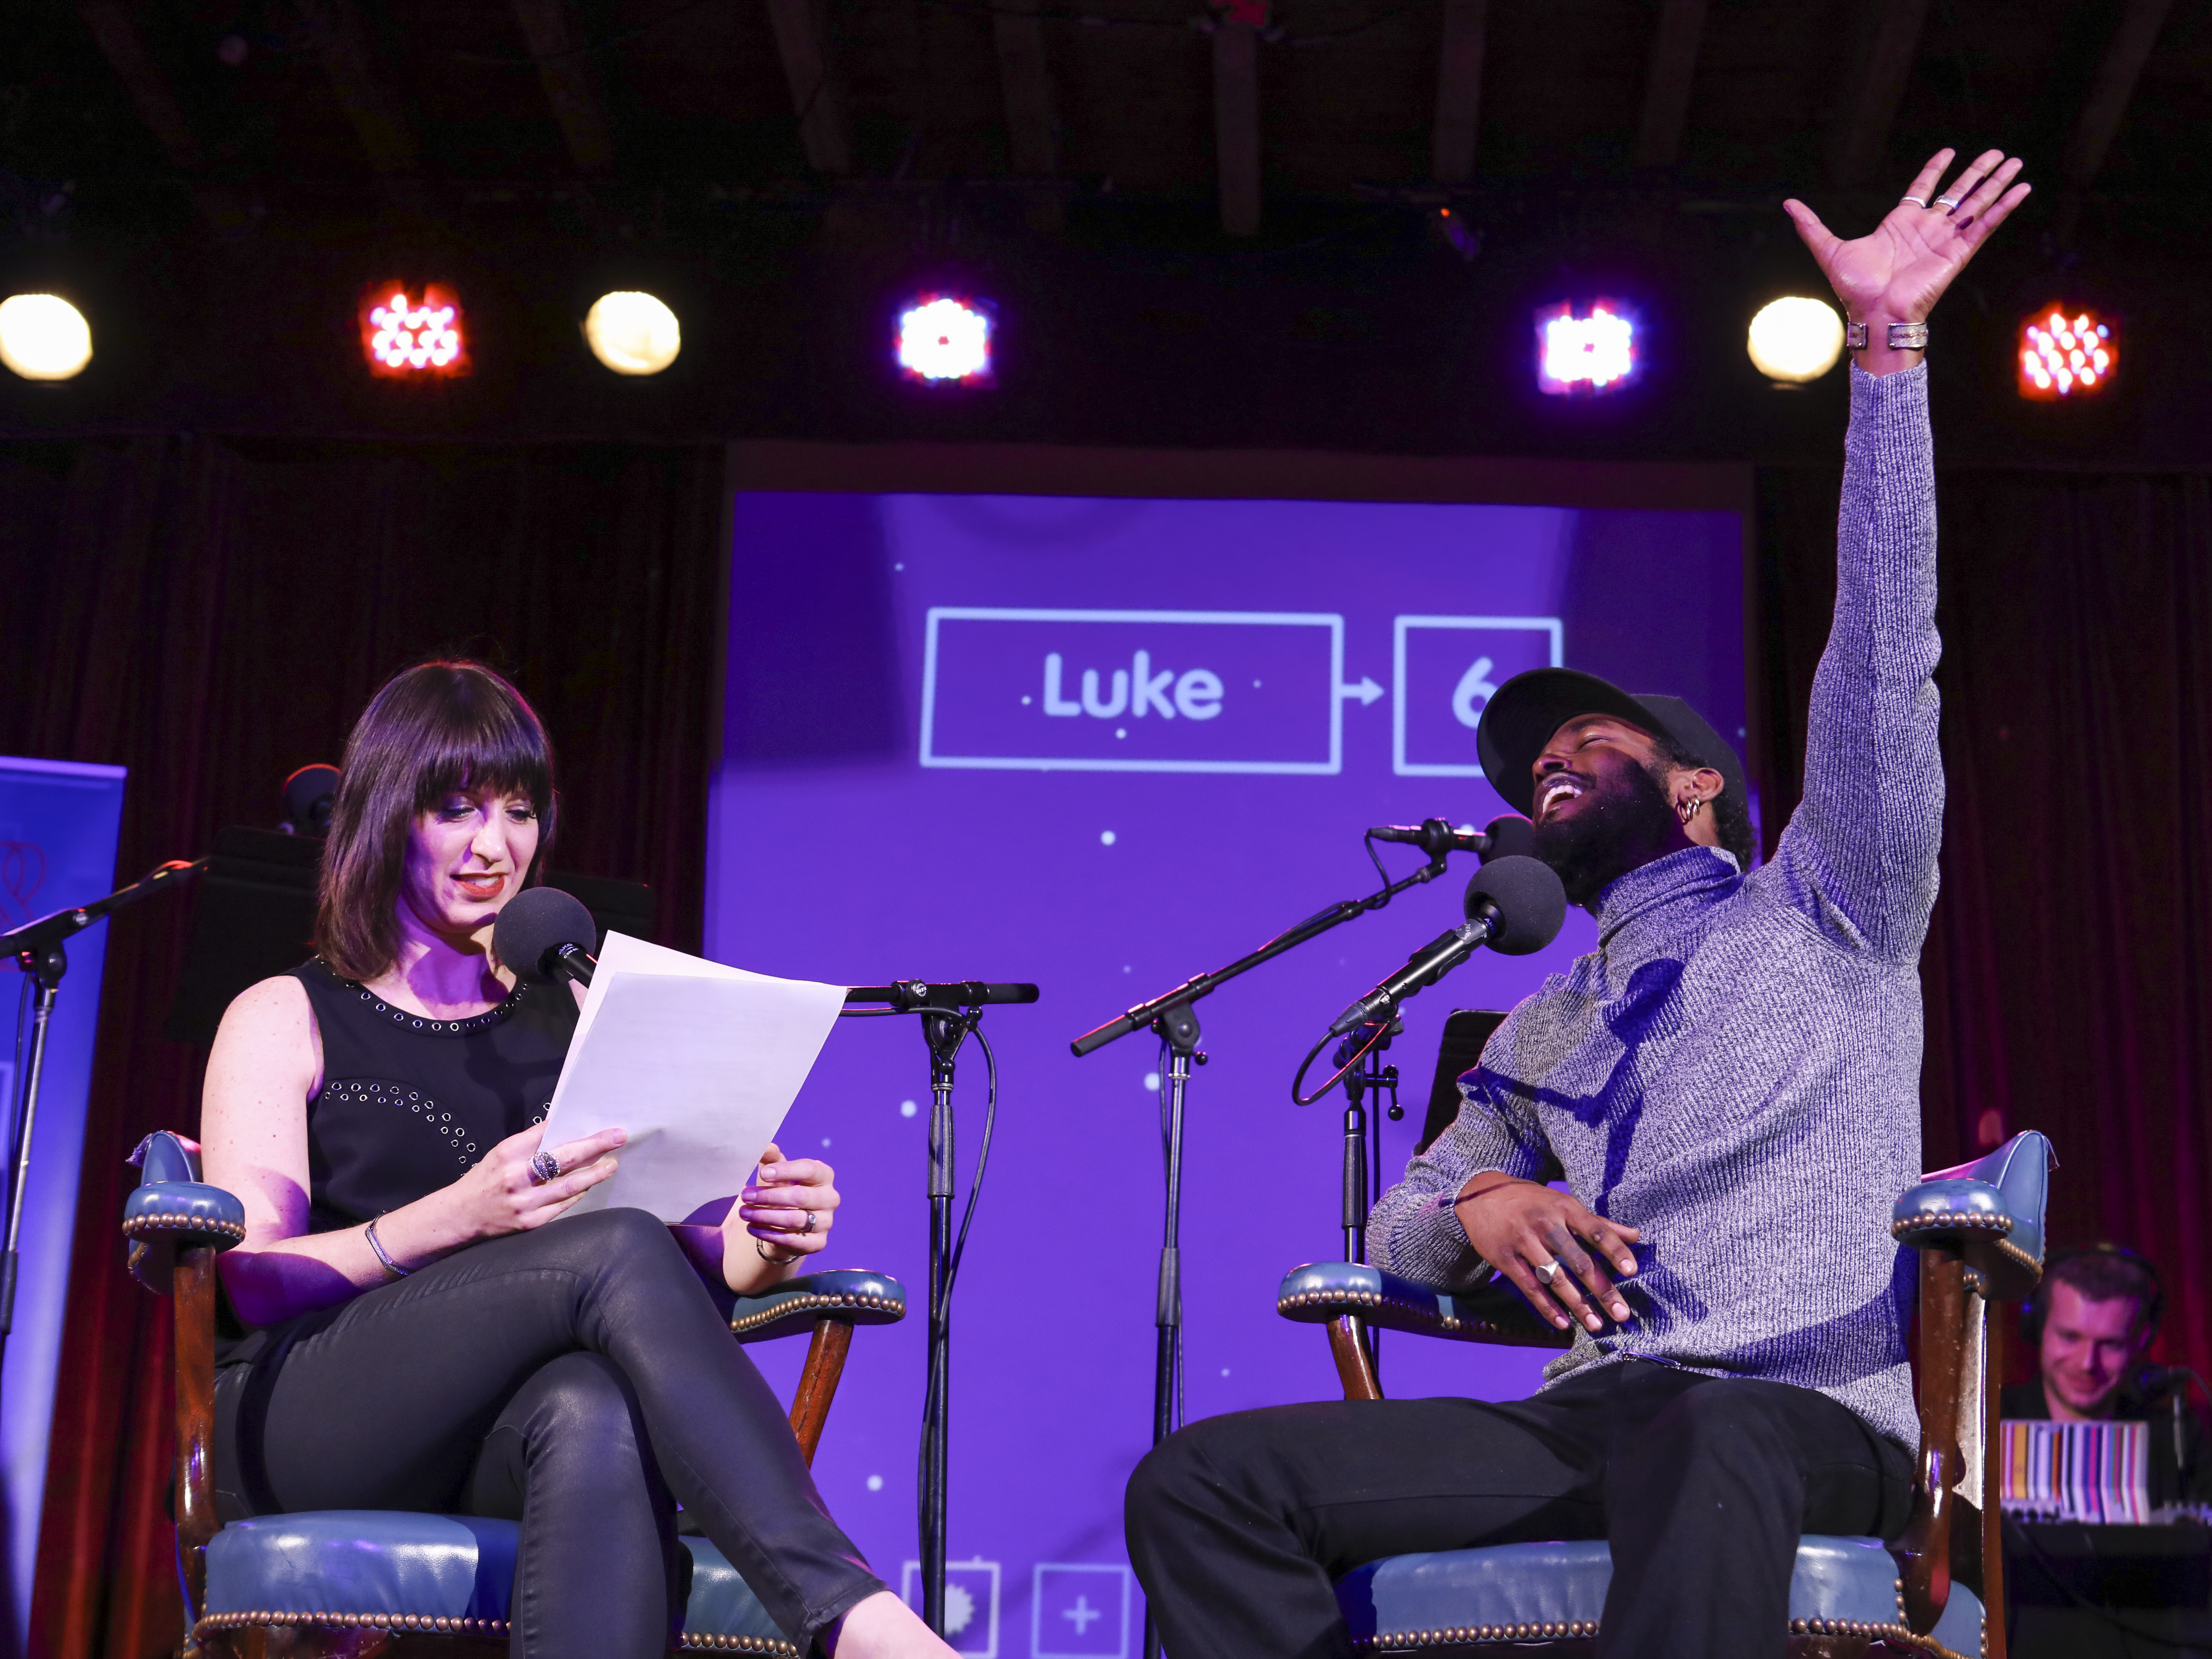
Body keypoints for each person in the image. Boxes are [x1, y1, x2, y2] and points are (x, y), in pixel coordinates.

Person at [1124, 148, 2032, 1659]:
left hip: (1797, 1417)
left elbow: (1882, 663)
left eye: (1584, 745)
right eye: (1530, 763)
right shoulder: (1538, 1016)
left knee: (1708, 1441)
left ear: (1691, 789)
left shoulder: (1831, 909)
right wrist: (1483, 1196)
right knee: (1204, 1483)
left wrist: (1885, 361)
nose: (1546, 768)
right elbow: (1404, 1236)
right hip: (1593, 1419)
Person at [201, 660, 954, 1659]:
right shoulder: (286, 1013)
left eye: (520, 812)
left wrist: (761, 1240)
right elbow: (251, 1278)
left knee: (593, 1405)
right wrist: (459, 1213)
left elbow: (665, 1260)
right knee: (605, 1253)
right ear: (388, 819)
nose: (494, 847)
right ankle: (853, 1617)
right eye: (458, 810)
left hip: (491, 1426)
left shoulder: (572, 1016)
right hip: (313, 1414)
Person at [2000, 1246, 2209, 1509]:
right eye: (2070, 1337)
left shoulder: (2178, 1440)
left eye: (2111, 1344)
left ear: (2141, 1341)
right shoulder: (1987, 1424)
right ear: (2038, 1328)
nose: (2088, 1363)